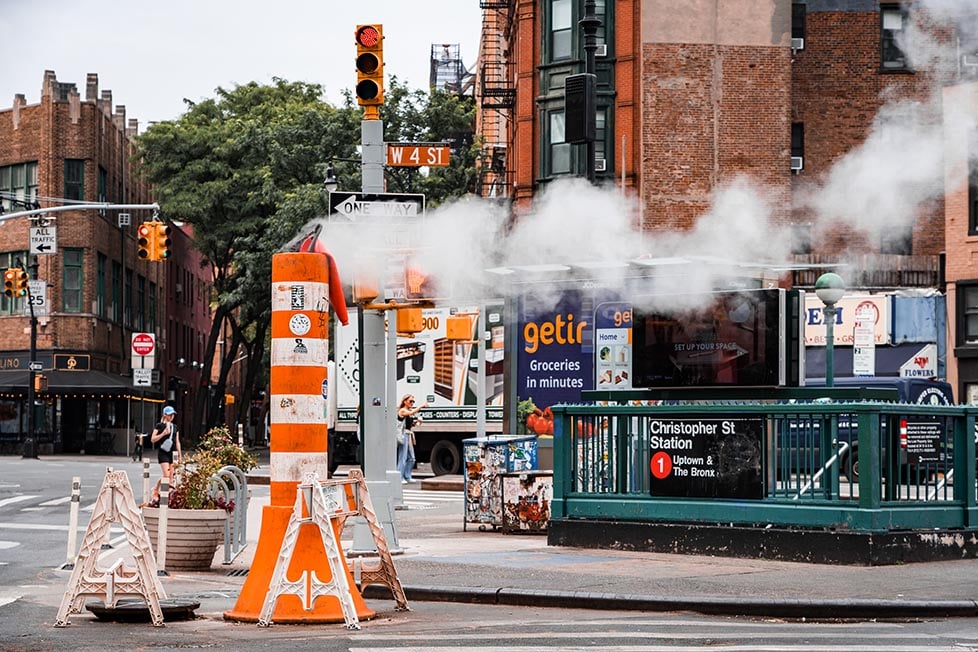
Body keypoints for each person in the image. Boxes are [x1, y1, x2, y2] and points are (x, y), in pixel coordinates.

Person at [150, 405, 181, 502]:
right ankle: (155, 489)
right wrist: (163, 433)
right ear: (165, 415)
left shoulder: (175, 427)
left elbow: (177, 441)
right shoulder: (159, 426)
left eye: (173, 414)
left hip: (173, 452)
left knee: (171, 476)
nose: (172, 416)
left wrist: (180, 455)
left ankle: (168, 496)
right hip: (163, 452)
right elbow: (153, 439)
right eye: (169, 414)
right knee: (166, 475)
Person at [396, 394, 426, 484]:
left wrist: (416, 422)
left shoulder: (408, 412)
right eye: (410, 401)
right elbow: (411, 413)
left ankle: (407, 476)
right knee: (403, 457)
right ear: (405, 401)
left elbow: (410, 425)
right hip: (404, 435)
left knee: (411, 458)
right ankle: (399, 477)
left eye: (413, 401)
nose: (412, 403)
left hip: (408, 435)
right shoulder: (402, 410)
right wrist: (421, 406)